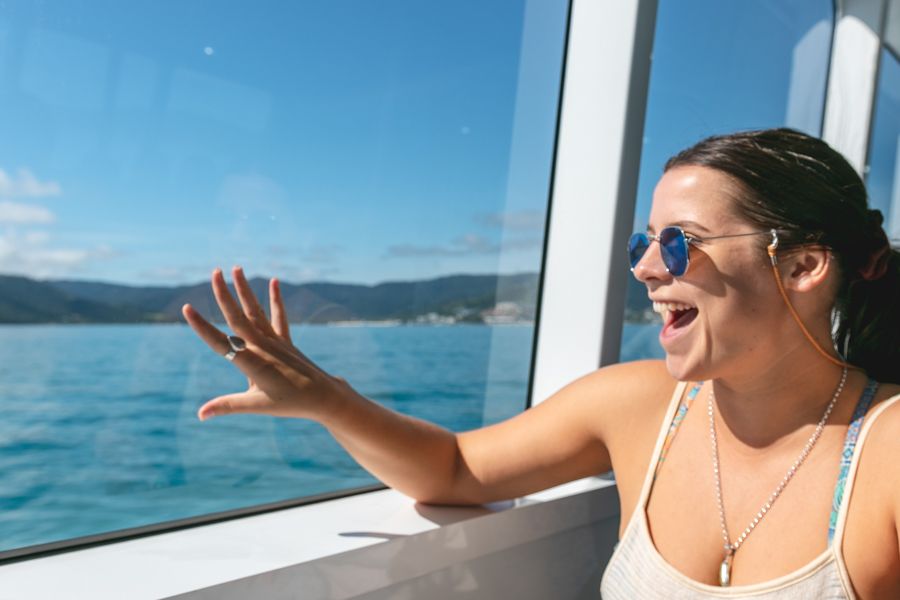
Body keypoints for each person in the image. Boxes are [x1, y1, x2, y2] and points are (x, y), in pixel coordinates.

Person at [182, 128, 900, 599]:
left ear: (802, 266)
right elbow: (455, 469)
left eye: (680, 242)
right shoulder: (635, 406)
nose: (647, 268)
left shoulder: (886, 451)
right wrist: (326, 399)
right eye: (643, 243)